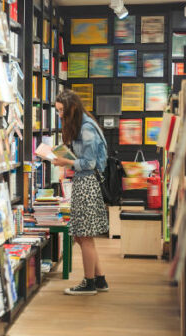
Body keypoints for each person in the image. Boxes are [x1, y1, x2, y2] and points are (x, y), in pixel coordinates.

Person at [52, 89, 109, 296]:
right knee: (80, 235)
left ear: (72, 109)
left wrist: (65, 161)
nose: (59, 116)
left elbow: (89, 163)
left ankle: (89, 282)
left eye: (61, 111)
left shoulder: (86, 128)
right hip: (83, 183)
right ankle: (99, 279)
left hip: (87, 185)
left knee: (84, 236)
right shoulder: (81, 125)